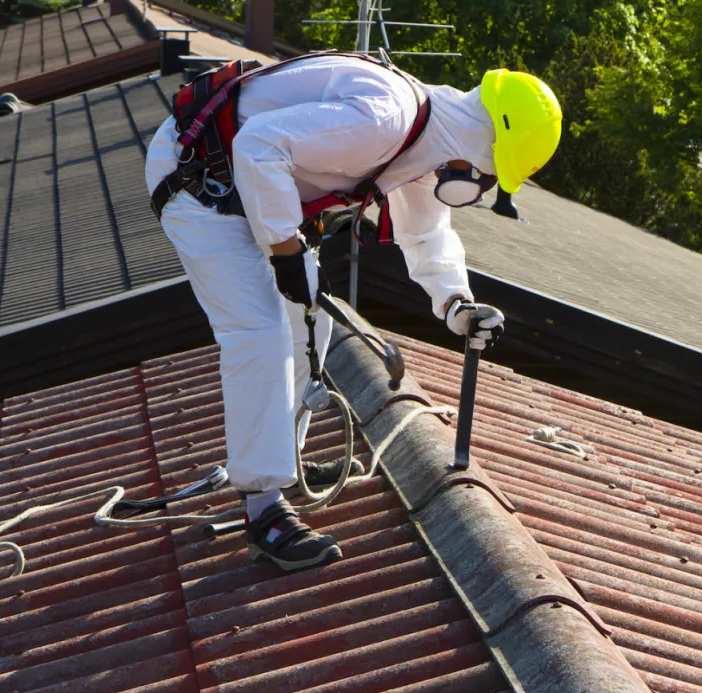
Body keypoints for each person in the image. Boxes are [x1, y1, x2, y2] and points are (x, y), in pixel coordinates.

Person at [145, 52, 562, 572]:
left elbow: (426, 230)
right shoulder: (386, 119)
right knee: (261, 330)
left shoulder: (427, 140)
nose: (479, 187)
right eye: (490, 176)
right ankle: (263, 509)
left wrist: (457, 303)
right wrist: (284, 249)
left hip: (240, 183)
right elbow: (258, 145)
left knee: (309, 321)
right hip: (196, 179)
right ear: (482, 148)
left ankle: (282, 464)